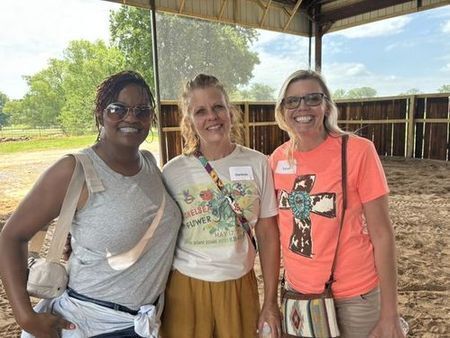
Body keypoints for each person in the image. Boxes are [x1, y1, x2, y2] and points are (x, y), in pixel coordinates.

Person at [0, 70, 182, 338]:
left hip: (142, 324)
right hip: (86, 323)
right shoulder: (75, 169)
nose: (131, 117)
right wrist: (26, 317)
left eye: (142, 110)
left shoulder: (149, 164)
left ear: (151, 117)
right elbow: (12, 237)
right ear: (100, 113)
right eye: (117, 108)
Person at [269, 69, 405, 338]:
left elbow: (382, 234)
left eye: (312, 99)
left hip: (356, 297)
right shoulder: (276, 160)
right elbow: (272, 232)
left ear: (327, 105)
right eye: (292, 101)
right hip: (299, 294)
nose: (302, 107)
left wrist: (390, 313)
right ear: (282, 110)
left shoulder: (357, 151)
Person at [160, 74, 281, 338]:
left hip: (239, 285)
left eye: (218, 107)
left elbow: (268, 234)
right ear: (189, 120)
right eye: (200, 111)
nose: (211, 116)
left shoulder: (258, 163)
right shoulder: (173, 172)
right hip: (185, 289)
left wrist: (271, 300)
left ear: (230, 111)